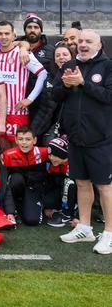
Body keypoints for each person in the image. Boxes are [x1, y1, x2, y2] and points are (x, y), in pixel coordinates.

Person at [54, 30, 112, 255]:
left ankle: (109, 233)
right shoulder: (68, 65)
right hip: (76, 137)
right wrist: (67, 85)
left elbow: (109, 96)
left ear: (99, 45)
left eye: (88, 41)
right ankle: (85, 228)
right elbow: (55, 96)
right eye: (80, 41)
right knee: (82, 183)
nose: (83, 45)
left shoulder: (108, 66)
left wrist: (83, 83)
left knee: (105, 187)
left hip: (101, 138)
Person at [0, 21, 47, 149]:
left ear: (13, 35)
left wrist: (30, 99)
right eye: (0, 33)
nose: (3, 37)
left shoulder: (22, 53)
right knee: (4, 151)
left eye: (7, 33)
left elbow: (42, 74)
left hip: (17, 111)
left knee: (18, 150)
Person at [1, 126, 49, 226]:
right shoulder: (8, 155)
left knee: (32, 221)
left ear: (34, 140)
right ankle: (16, 206)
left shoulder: (44, 152)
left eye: (28, 139)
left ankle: (31, 205)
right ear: (15, 140)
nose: (24, 142)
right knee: (16, 179)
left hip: (34, 190)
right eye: (20, 139)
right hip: (16, 190)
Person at [30, 43, 74, 145]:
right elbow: (45, 109)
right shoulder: (49, 78)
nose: (61, 57)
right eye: (57, 55)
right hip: (53, 127)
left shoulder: (80, 75)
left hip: (73, 127)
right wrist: (33, 131)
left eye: (65, 54)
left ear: (72, 57)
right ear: (54, 59)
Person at [45, 136, 76, 227]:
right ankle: (59, 208)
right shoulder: (53, 163)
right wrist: (48, 207)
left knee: (68, 182)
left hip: (77, 192)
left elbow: (87, 188)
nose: (51, 158)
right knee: (47, 201)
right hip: (61, 190)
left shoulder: (75, 164)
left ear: (63, 155)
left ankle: (68, 215)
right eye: (50, 155)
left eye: (55, 155)